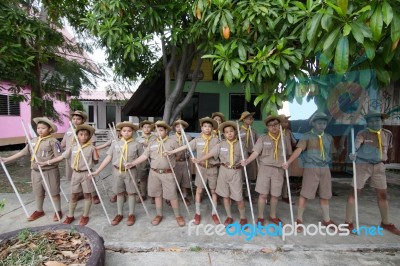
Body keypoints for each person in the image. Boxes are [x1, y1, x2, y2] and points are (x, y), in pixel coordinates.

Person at [345, 111, 400, 235]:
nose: (373, 123)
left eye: (376, 120)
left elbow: (387, 150)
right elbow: (356, 145)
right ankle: (348, 223)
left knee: (383, 195)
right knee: (355, 193)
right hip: (362, 166)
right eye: (370, 121)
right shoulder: (362, 133)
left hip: (379, 167)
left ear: (382, 121)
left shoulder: (388, 134)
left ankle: (385, 223)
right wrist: (353, 152)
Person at [0, 117, 63, 222]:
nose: (40, 130)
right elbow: (23, 153)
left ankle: (58, 211)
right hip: (35, 172)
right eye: (38, 128)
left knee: (54, 192)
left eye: (43, 128)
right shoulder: (33, 141)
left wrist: (46, 163)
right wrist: (7, 159)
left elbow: (59, 157)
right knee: (38, 193)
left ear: (50, 129)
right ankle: (39, 210)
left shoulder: (53, 141)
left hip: (49, 171)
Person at [125, 121, 185, 227]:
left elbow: (179, 154)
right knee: (157, 194)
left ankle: (178, 215)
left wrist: (171, 157)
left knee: (172, 195)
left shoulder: (172, 142)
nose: (158, 132)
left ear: (166, 131)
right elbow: (144, 156)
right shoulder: (152, 143)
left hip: (168, 173)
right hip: (154, 173)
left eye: (161, 130)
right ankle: (159, 214)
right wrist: (132, 163)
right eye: (156, 130)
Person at [283, 112, 337, 231]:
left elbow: (331, 153)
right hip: (311, 168)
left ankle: (326, 219)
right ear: (313, 123)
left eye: (324, 123)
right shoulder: (306, 136)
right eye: (319, 123)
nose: (321, 125)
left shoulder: (328, 137)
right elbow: (298, 150)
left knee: (325, 194)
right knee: (305, 194)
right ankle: (299, 219)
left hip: (325, 168)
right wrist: (289, 162)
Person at [165, 117, 220, 225]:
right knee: (199, 191)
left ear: (212, 128)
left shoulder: (216, 140)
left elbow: (214, 153)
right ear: (201, 128)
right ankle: (197, 213)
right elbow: (185, 146)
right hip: (201, 169)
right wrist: (171, 152)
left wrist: (198, 159)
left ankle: (214, 213)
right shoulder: (197, 140)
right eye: (205, 126)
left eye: (209, 126)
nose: (207, 128)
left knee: (213, 191)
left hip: (213, 169)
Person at [40, 125, 98, 226]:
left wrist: (96, 157)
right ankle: (70, 215)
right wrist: (47, 162)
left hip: (86, 174)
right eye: (81, 134)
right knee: (74, 195)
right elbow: (61, 157)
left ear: (89, 136)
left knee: (87, 195)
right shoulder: (73, 147)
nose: (83, 137)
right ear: (77, 136)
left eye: (86, 135)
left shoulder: (91, 148)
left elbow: (96, 161)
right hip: (75, 174)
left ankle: (85, 216)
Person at [193, 121, 247, 226]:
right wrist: (198, 159)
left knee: (238, 198)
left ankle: (243, 217)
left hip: (236, 171)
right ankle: (229, 216)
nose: (229, 133)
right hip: (223, 171)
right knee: (225, 196)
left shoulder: (241, 144)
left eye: (231, 131)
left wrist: (245, 161)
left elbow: (244, 158)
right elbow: (210, 154)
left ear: (235, 132)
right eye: (226, 132)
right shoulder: (221, 144)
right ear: (224, 134)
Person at [242, 115, 292, 225]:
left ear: (279, 125)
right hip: (265, 169)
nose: (273, 127)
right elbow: (255, 152)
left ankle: (273, 216)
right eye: (270, 125)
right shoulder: (263, 139)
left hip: (278, 170)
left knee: (275, 195)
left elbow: (288, 154)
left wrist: (287, 163)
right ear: (267, 127)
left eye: (275, 125)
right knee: (263, 195)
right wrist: (247, 161)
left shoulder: (285, 139)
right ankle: (260, 217)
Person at [91, 121, 140, 226]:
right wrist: (97, 170)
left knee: (131, 193)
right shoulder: (115, 143)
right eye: (124, 131)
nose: (127, 133)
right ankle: (119, 213)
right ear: (120, 132)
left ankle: (131, 214)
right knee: (119, 193)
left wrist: (134, 163)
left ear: (133, 132)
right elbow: (108, 157)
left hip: (131, 171)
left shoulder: (137, 144)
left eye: (129, 131)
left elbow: (141, 158)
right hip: (117, 171)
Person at [61, 110, 100, 204]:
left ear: (82, 120)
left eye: (78, 119)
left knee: (88, 177)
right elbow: (63, 143)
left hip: (84, 157)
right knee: (74, 176)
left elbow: (93, 144)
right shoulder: (69, 130)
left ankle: (94, 194)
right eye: (73, 118)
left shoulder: (87, 130)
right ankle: (79, 194)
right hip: (72, 157)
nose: (75, 120)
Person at [169, 119, 193, 206]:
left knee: (185, 179)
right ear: (175, 128)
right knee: (174, 180)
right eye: (177, 126)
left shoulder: (188, 137)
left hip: (185, 161)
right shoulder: (171, 137)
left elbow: (190, 148)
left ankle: (184, 196)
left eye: (181, 126)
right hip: (175, 162)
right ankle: (171, 197)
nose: (179, 128)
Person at [238, 111, 258, 198]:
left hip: (250, 156)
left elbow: (257, 143)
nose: (252, 120)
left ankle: (248, 193)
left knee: (249, 176)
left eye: (252, 118)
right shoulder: (238, 130)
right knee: (240, 175)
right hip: (241, 156)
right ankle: (239, 193)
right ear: (244, 120)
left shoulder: (253, 131)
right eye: (250, 118)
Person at [136, 120, 156, 204]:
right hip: (142, 161)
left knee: (153, 179)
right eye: (145, 127)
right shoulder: (138, 139)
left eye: (149, 127)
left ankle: (153, 195)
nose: (147, 129)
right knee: (143, 178)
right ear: (141, 128)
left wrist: (147, 145)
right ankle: (143, 194)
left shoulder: (155, 138)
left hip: (153, 160)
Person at [279, 114, 297, 205]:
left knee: (286, 177)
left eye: (287, 122)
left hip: (288, 157)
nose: (287, 123)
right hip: (278, 158)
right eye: (284, 122)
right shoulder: (276, 132)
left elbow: (294, 142)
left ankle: (285, 195)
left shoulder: (289, 132)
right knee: (277, 177)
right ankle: (272, 196)